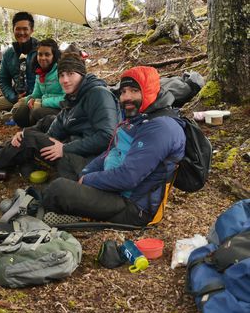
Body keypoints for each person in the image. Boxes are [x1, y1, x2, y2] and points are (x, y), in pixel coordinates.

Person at [41, 66, 186, 226]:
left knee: (59, 188)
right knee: (66, 158)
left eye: (134, 91)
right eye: (123, 92)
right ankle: (75, 205)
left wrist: (88, 180)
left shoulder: (161, 128)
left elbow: (128, 177)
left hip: (132, 206)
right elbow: (111, 152)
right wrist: (87, 173)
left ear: (149, 90)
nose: (126, 97)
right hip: (113, 185)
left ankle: (66, 206)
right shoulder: (138, 117)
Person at [0, 52, 119, 178]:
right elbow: (54, 129)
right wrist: (24, 133)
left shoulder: (98, 94)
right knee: (46, 122)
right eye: (61, 75)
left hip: (88, 161)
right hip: (75, 143)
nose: (65, 80)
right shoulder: (74, 97)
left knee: (31, 138)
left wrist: (64, 148)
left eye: (70, 74)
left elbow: (107, 137)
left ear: (82, 74)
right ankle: (1, 151)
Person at [0, 12, 39, 118]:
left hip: (36, 97)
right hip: (17, 95)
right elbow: (3, 80)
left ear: (32, 30)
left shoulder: (41, 51)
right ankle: (9, 114)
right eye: (18, 29)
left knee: (28, 111)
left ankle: (10, 115)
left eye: (25, 29)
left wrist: (33, 96)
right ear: (13, 30)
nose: (21, 32)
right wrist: (13, 97)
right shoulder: (9, 54)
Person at [11, 38, 63, 128]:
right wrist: (30, 99)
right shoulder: (39, 72)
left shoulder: (61, 72)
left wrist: (43, 102)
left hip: (61, 109)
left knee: (37, 113)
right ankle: (32, 130)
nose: (43, 58)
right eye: (40, 54)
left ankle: (45, 131)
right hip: (43, 105)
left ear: (54, 56)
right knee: (20, 112)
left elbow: (67, 99)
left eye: (47, 54)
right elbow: (36, 94)